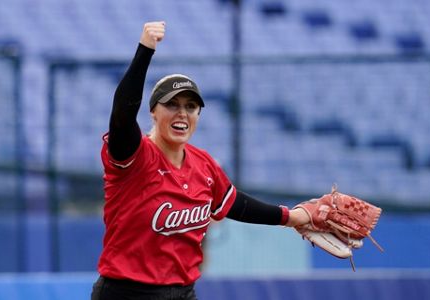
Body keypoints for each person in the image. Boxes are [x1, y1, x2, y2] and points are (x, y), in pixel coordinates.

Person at [91, 21, 310, 300]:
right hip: (127, 293)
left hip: (183, 293)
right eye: (172, 104)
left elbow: (235, 205)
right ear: (153, 113)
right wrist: (145, 49)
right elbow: (122, 114)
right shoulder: (134, 156)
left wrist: (290, 218)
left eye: (191, 107)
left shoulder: (204, 165)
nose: (182, 113)